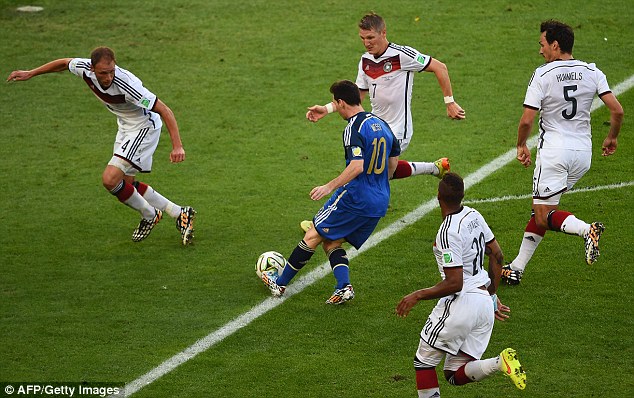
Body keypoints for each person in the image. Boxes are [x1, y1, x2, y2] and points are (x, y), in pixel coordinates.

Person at [7, 47, 196, 244]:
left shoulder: (127, 85)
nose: (108, 77)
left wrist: (177, 146)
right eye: (103, 73)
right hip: (125, 126)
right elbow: (64, 63)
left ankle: (150, 215)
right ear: (92, 68)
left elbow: (165, 110)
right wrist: (31, 73)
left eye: (111, 71)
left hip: (143, 128)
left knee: (110, 179)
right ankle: (180, 213)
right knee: (126, 185)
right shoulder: (84, 69)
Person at [301, 12, 465, 232]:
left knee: (362, 172)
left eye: (370, 38)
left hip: (398, 130)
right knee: (378, 173)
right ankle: (435, 168)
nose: (366, 43)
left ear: (383, 33)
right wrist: (328, 108)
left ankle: (322, 222)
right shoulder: (365, 61)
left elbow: (440, 67)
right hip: (375, 128)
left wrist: (450, 102)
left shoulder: (401, 55)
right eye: (362, 38)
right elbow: (357, 96)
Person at [501, 20, 624, 285]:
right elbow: (617, 110)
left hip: (554, 153)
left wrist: (522, 145)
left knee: (544, 214)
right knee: (542, 210)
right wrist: (611, 137)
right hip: (582, 154)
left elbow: (526, 120)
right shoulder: (592, 71)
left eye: (542, 44)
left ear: (555, 45)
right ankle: (516, 268)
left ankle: (586, 230)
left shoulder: (543, 75)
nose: (540, 51)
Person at [261, 80, 400, 304]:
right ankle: (343, 287)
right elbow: (393, 163)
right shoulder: (382, 124)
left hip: (355, 197)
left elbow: (356, 166)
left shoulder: (352, 128)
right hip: (380, 200)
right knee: (332, 242)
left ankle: (280, 283)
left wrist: (329, 186)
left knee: (313, 235)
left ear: (341, 102)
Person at [396, 173, 526, 397]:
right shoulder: (474, 215)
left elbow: (455, 283)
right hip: (483, 304)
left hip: (462, 303)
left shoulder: (447, 231)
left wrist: (416, 295)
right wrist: (491, 294)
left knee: (424, 362)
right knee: (454, 374)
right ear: (462, 195)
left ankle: (499, 363)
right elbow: (498, 255)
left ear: (438, 196)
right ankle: (499, 362)